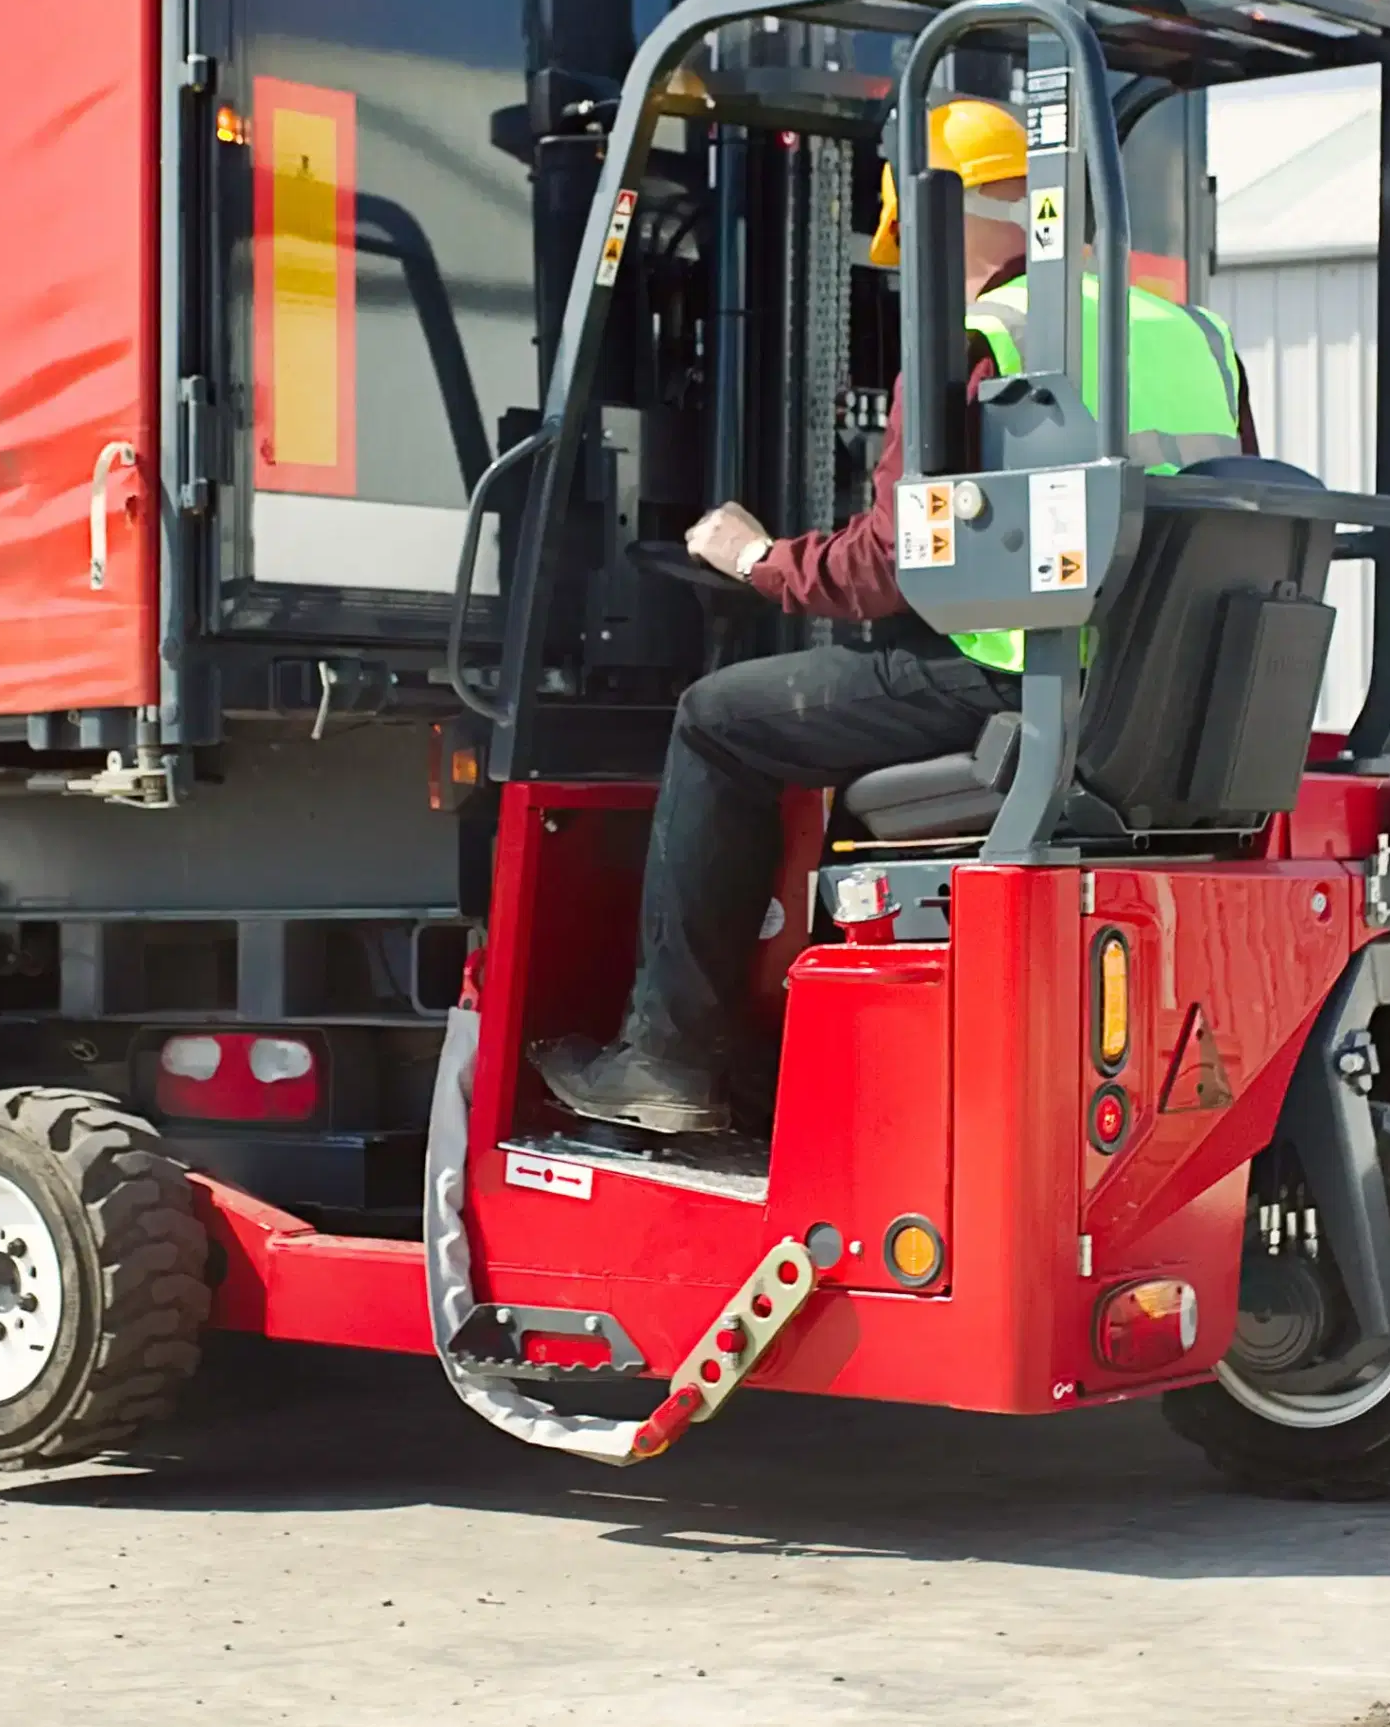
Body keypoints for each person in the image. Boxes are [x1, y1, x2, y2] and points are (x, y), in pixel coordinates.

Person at [530, 97, 1254, 1136]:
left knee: (718, 720)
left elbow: (889, 567)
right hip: (1168, 700)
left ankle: (668, 1059)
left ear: (951, 220)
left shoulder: (986, 338)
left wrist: (758, 559)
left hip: (1021, 682)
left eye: (912, 243)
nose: (913, 269)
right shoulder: (1194, 334)